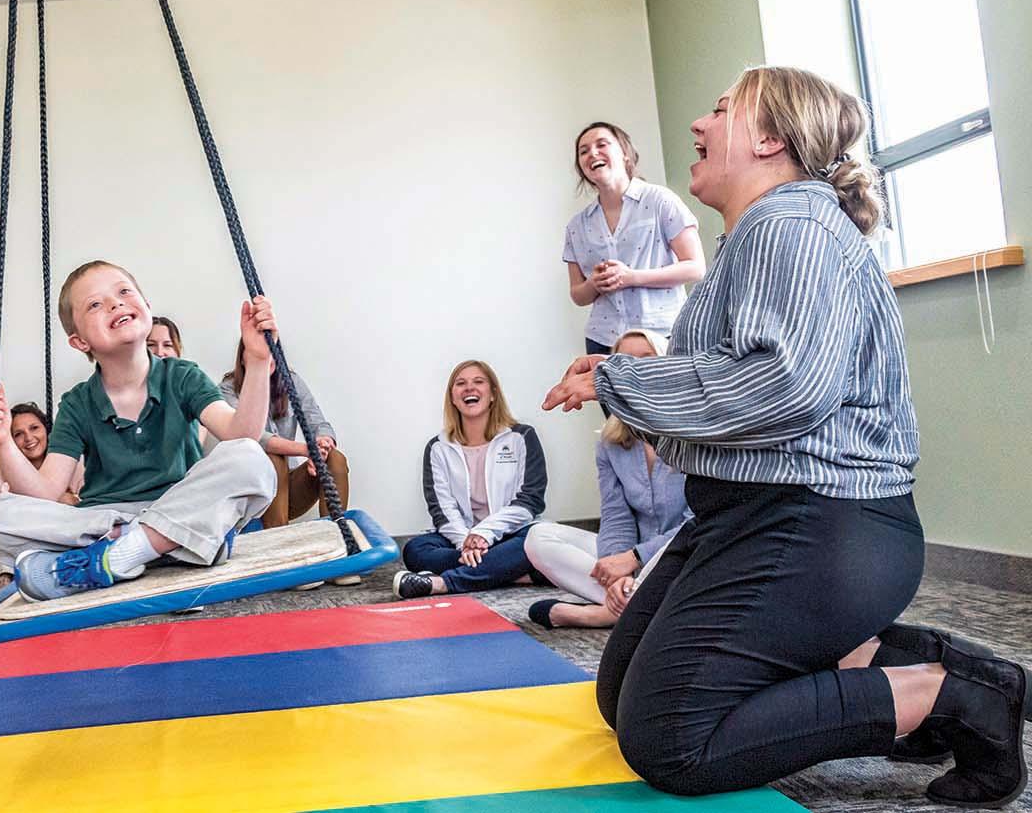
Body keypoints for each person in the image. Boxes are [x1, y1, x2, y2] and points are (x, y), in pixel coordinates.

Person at [543, 66, 1026, 807]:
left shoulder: (791, 225)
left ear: (770, 139)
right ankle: (921, 666)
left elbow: (784, 386)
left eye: (719, 109)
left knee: (670, 737)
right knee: (620, 692)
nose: (699, 127)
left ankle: (949, 694)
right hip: (753, 514)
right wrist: (630, 369)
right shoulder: (759, 235)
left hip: (819, 524)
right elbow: (745, 374)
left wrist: (619, 380)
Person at [0, 260, 279, 600]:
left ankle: (125, 553)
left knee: (249, 457)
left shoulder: (181, 376)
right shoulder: (77, 403)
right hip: (105, 521)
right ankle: (166, 544)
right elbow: (45, 491)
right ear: (79, 342)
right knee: (0, 513)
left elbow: (243, 433)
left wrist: (255, 360)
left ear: (147, 308)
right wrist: (4, 441)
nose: (115, 303)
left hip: (176, 502)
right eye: (95, 304)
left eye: (123, 292)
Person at [523, 330, 691, 629]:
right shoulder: (610, 442)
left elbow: (696, 523)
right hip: (632, 563)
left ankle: (604, 613)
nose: (635, 368)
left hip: (678, 554)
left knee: (681, 549)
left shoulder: (691, 434)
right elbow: (616, 517)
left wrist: (635, 557)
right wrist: (618, 569)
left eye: (646, 359)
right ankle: (631, 602)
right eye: (625, 361)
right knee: (538, 538)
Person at [392, 360, 547, 599]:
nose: (469, 388)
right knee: (416, 550)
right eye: (461, 384)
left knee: (538, 540)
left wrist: (484, 534)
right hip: (462, 537)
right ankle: (509, 571)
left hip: (513, 533)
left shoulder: (522, 436)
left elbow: (530, 502)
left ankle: (443, 583)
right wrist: (467, 542)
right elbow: (441, 510)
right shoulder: (437, 447)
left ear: (493, 393)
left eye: (478, 382)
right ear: (452, 398)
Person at [562, 123, 705, 354]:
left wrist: (632, 277)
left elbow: (696, 268)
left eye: (602, 144)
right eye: (584, 151)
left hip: (663, 334)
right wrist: (593, 284)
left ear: (625, 154)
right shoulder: (576, 226)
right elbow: (578, 294)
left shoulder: (660, 200)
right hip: (604, 339)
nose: (593, 154)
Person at [219, 338, 349, 529]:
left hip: (288, 488)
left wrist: (322, 445)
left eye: (271, 351)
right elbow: (257, 438)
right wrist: (305, 449)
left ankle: (336, 537)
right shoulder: (227, 389)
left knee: (335, 458)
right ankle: (279, 538)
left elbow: (318, 422)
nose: (266, 357)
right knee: (274, 457)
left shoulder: (291, 381)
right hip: (253, 493)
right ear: (243, 358)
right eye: (257, 351)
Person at [0, 402, 85, 594]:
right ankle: (5, 581)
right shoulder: (4, 472)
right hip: (27, 544)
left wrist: (67, 499)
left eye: (34, 428)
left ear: (47, 430)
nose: (29, 438)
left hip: (64, 538)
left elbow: (88, 501)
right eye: (18, 434)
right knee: (0, 516)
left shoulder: (71, 463)